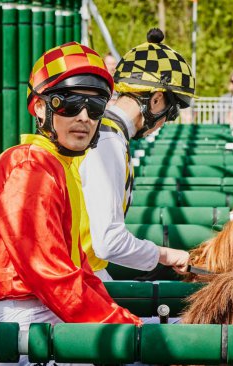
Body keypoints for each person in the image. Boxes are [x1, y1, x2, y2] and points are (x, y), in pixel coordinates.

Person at [0, 42, 141, 364]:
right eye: (68, 103)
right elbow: (49, 274)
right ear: (39, 108)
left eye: (95, 108)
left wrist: (123, 319)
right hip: (28, 327)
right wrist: (121, 326)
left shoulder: (58, 166)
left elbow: (79, 268)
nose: (83, 117)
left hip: (50, 315)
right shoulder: (30, 170)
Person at [75, 28, 195, 281]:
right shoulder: (108, 141)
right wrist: (167, 255)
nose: (165, 122)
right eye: (170, 114)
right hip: (78, 277)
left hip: (83, 270)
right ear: (156, 100)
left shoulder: (109, 133)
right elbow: (108, 242)